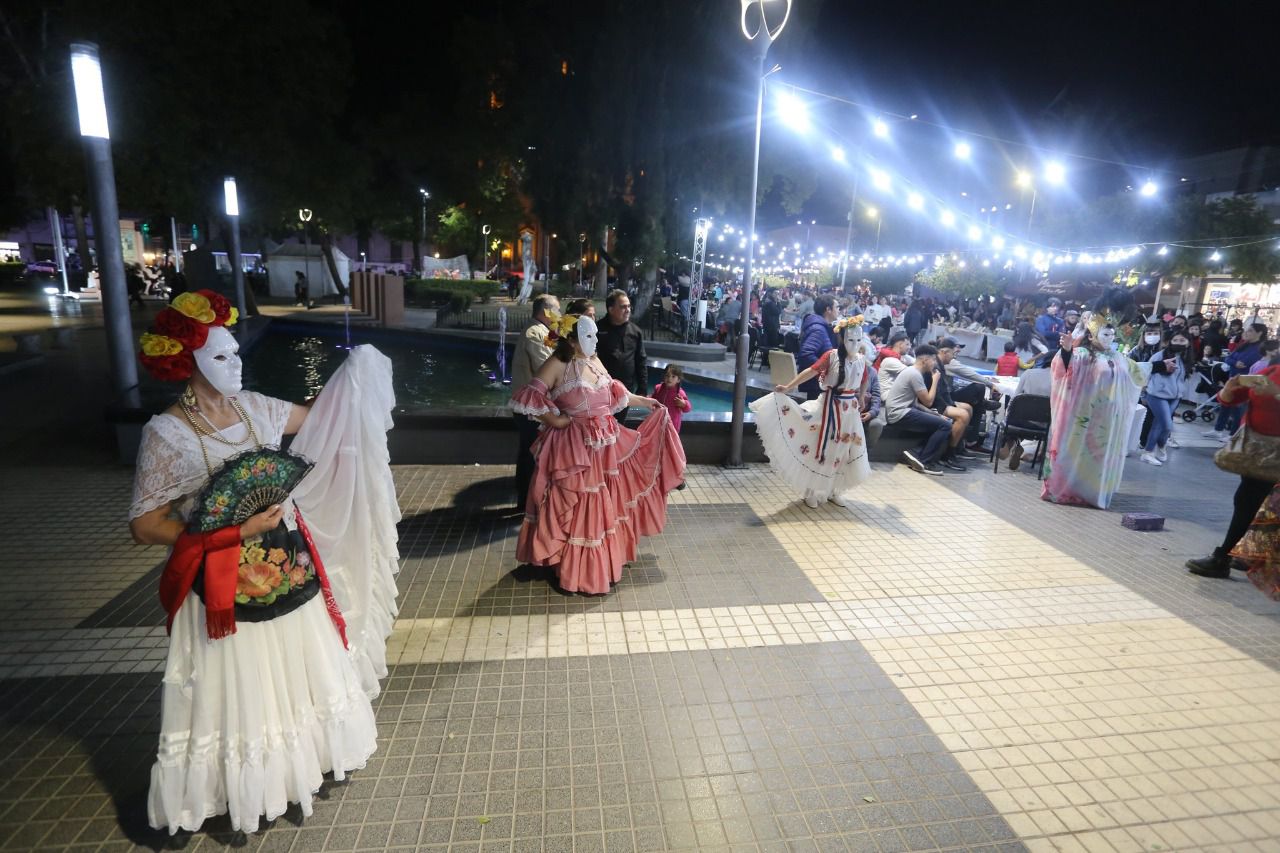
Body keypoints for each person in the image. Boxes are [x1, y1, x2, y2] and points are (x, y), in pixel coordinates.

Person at [128, 290, 399, 834]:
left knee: (295, 664)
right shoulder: (168, 433)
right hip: (220, 577)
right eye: (220, 355)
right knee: (243, 681)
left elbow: (323, 418)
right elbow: (144, 523)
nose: (235, 362)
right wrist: (228, 530)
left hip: (285, 563)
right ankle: (246, 785)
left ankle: (303, 763)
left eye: (236, 351)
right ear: (187, 363)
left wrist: (355, 375)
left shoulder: (257, 407)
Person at [512, 313, 685, 594]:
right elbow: (529, 396)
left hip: (606, 444)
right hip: (575, 448)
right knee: (580, 503)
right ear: (571, 339)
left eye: (595, 335)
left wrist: (645, 401)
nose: (595, 340)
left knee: (602, 503)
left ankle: (595, 566)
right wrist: (555, 420)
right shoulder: (557, 363)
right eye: (588, 335)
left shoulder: (594, 361)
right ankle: (575, 571)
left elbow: (616, 392)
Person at [751, 316, 872, 507]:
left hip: (850, 411)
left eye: (858, 340)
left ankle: (834, 489)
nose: (855, 344)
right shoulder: (831, 356)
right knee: (821, 446)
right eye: (850, 339)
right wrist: (789, 387)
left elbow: (865, 379)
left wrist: (862, 396)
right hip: (829, 408)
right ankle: (811, 490)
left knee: (844, 449)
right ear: (842, 338)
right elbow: (811, 371)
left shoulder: (861, 360)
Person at [1041, 323, 1150, 509]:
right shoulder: (1082, 354)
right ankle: (1066, 489)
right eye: (1105, 334)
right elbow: (1065, 368)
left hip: (1106, 419)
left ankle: (1092, 493)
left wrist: (1160, 365)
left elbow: (1136, 372)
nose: (1110, 338)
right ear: (1091, 336)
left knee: (1098, 456)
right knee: (1074, 450)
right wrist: (1067, 350)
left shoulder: (1118, 357)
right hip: (1080, 415)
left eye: (1112, 334)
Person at [1186, 363, 1280, 578]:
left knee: (1248, 501)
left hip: (1273, 455)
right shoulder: (1272, 370)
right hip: (1256, 450)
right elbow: (1231, 399)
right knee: (1255, 503)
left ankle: (1223, 558)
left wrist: (1276, 394)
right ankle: (1250, 554)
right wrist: (1229, 390)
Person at [511, 293, 561, 506]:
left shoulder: (541, 330)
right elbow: (546, 369)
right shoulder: (535, 333)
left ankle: (527, 500)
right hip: (531, 408)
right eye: (557, 310)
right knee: (530, 454)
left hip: (532, 406)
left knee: (530, 453)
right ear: (547, 312)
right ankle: (526, 502)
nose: (560, 314)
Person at [883, 344, 954, 476]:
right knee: (946, 426)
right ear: (925, 360)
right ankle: (924, 460)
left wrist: (935, 415)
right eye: (933, 359)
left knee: (940, 422)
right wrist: (935, 381)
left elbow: (916, 403)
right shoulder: (914, 374)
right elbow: (928, 401)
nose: (935, 363)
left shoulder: (913, 372)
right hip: (900, 414)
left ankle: (916, 453)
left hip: (902, 411)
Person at [1206, 323, 1268, 440]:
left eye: (1250, 330)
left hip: (1245, 381)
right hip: (1233, 379)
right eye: (1247, 330)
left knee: (1238, 409)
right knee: (1225, 404)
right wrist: (1235, 363)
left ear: (1259, 333)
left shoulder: (1260, 348)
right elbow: (1229, 358)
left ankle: (1233, 434)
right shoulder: (1244, 344)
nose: (1246, 332)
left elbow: (1249, 362)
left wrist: (1237, 362)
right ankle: (1218, 429)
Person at [1139, 329, 1191, 467]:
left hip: (1175, 397)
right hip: (1156, 395)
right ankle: (1152, 450)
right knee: (1167, 425)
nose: (1178, 343)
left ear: (1188, 342)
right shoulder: (1159, 356)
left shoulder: (1186, 358)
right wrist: (1143, 393)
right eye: (1175, 340)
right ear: (1170, 342)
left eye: (1182, 340)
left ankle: (1154, 449)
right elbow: (1146, 373)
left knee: (1160, 424)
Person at [596, 289, 646, 423]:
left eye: (629, 306)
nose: (628, 310)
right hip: (602, 390)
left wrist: (642, 387)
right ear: (611, 309)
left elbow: (641, 360)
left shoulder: (635, 331)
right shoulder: (597, 330)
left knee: (618, 426)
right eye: (623, 307)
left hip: (625, 390)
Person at [796, 295, 840, 400]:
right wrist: (825, 370)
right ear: (828, 309)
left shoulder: (821, 327)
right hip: (816, 384)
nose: (839, 310)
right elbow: (806, 354)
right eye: (837, 307)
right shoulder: (818, 329)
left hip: (818, 382)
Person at [652, 363, 692, 432]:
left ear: (678, 380)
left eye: (673, 376)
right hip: (658, 421)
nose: (669, 378)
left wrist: (684, 404)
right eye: (667, 375)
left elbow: (688, 408)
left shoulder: (679, 393)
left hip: (672, 425)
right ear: (664, 376)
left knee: (669, 438)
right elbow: (653, 400)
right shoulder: (658, 388)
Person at [861, 363, 885, 448]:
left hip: (866, 412)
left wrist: (872, 412)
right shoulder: (847, 368)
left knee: (876, 424)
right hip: (848, 412)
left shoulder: (871, 371)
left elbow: (876, 395)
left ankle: (867, 451)